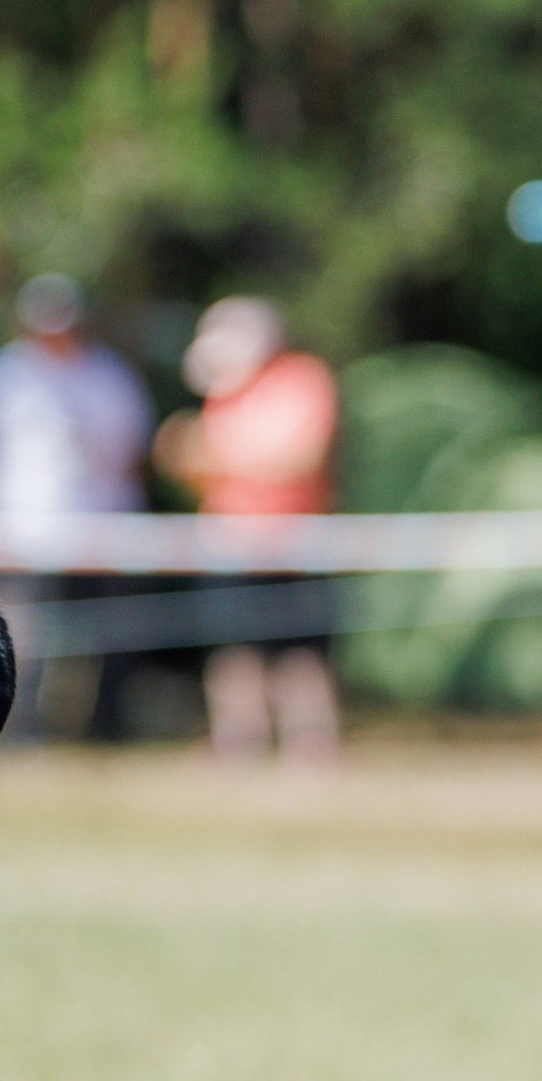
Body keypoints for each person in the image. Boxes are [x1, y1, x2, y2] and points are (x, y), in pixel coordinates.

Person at [155, 296, 343, 760]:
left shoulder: (303, 379)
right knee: (233, 649)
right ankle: (239, 742)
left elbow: (301, 456)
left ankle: (309, 744)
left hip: (294, 542)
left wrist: (214, 453)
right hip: (230, 539)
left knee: (301, 652)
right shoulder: (226, 389)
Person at [0, 275, 154, 738]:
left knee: (107, 632)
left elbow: (132, 453)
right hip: (24, 529)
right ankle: (22, 723)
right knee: (24, 632)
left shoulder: (109, 375)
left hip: (102, 528)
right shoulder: (4, 375)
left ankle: (105, 723)